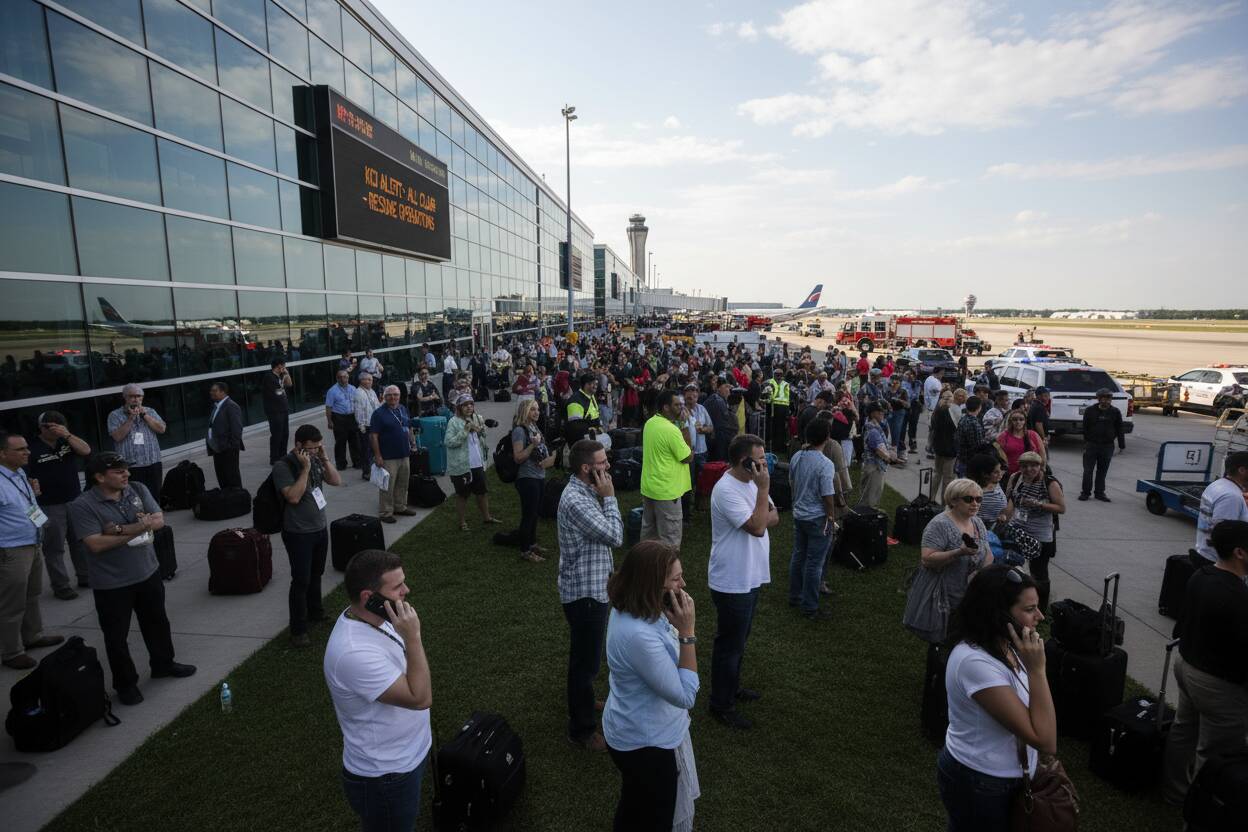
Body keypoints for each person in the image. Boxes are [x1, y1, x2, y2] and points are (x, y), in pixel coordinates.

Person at [69, 453, 196, 703]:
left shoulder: (136, 489)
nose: (126, 474)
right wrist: (139, 527)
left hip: (148, 571)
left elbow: (158, 520)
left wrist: (119, 530)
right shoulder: (82, 505)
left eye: (126, 469)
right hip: (112, 583)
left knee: (157, 623)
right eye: (118, 471)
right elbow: (95, 543)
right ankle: (125, 684)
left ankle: (163, 664)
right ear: (99, 477)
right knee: (116, 637)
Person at [937, 565, 1055, 831]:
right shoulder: (974, 662)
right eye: (1029, 609)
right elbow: (1046, 740)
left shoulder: (1009, 644)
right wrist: (1037, 670)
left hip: (1006, 776)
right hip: (981, 781)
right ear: (998, 614)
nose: (1040, 616)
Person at [323, 550, 432, 832]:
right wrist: (414, 638)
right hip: (385, 776)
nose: (406, 591)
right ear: (367, 597)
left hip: (406, 758)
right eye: (397, 588)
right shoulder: (353, 652)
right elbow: (420, 698)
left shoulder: (380, 616)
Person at [601, 541, 700, 831]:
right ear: (651, 583)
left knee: (634, 804)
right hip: (646, 745)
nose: (683, 583)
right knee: (656, 817)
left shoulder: (636, 606)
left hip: (631, 728)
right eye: (676, 578)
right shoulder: (638, 637)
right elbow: (686, 695)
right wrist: (687, 634)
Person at [1162, 520, 1248, 804]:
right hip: (1218, 686)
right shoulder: (1237, 597)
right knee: (1216, 755)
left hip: (1186, 667)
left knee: (1184, 730)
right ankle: (1202, 811)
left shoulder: (1201, 575)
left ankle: (1176, 793)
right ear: (1240, 552)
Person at [707, 434, 777, 730]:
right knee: (729, 645)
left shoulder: (752, 483)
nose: (764, 466)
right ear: (742, 461)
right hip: (732, 579)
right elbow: (759, 526)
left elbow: (774, 517)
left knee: (739, 640)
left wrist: (760, 509)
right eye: (758, 461)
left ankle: (731, 688)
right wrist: (762, 495)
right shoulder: (726, 489)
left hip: (750, 575)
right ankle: (721, 704)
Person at [557, 439, 622, 752]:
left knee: (585, 657)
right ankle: (581, 730)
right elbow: (614, 536)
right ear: (586, 468)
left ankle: (583, 698)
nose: (607, 466)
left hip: (591, 587)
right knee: (585, 664)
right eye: (602, 462)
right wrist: (609, 499)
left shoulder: (584, 491)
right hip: (585, 594)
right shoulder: (577, 501)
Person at [0, 433, 64, 670]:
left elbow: (24, 505)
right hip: (11, 549)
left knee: (32, 594)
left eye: (27, 447)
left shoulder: (18, 474)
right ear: (2, 454)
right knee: (12, 602)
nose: (27, 452)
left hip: (33, 541)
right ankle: (11, 651)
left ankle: (32, 636)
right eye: (20, 449)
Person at [274, 425, 342, 647]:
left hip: (319, 528)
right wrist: (305, 468)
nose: (314, 452)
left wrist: (324, 458)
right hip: (298, 533)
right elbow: (292, 497)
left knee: (316, 574)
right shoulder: (283, 466)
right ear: (299, 446)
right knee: (301, 580)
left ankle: (316, 613)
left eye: (318, 447)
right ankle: (298, 630)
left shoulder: (316, 459)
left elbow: (335, 480)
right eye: (311, 448)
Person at [25, 412, 90, 599]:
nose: (55, 430)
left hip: (74, 500)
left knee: (80, 542)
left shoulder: (66, 441)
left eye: (58, 426)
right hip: (49, 505)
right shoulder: (32, 448)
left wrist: (66, 435)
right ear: (42, 427)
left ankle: (85, 576)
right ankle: (61, 585)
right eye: (51, 427)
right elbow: (25, 474)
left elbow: (86, 451)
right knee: (54, 548)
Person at [788, 419, 839, 621]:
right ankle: (810, 606)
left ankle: (795, 596)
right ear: (827, 437)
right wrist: (831, 517)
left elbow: (792, 482)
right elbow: (828, 495)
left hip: (799, 514)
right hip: (817, 518)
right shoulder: (826, 464)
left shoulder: (797, 456)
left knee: (799, 556)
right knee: (814, 563)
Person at [1005, 452, 1065, 614]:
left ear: (1040, 466)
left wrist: (1039, 504)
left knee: (1039, 573)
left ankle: (1040, 609)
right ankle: (1016, 604)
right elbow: (1010, 498)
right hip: (1017, 530)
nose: (1028, 469)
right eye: (1024, 466)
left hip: (1040, 534)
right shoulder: (1016, 478)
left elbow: (1061, 508)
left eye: (1033, 466)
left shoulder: (1050, 483)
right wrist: (1005, 516)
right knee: (1012, 567)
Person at [641, 390, 693, 549]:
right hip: (667, 491)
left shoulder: (650, 423)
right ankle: (668, 571)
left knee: (649, 535)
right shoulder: (672, 430)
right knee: (670, 540)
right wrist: (684, 426)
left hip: (650, 487)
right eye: (677, 405)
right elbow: (688, 457)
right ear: (666, 408)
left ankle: (645, 568)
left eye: (682, 404)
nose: (681, 408)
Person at [445, 395, 499, 531]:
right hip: (462, 466)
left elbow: (482, 436)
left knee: (482, 492)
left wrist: (481, 431)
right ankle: (462, 522)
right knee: (463, 495)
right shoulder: (453, 422)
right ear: (459, 407)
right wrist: (465, 430)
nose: (469, 407)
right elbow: (449, 442)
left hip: (477, 463)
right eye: (465, 405)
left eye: (471, 404)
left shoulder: (477, 418)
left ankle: (487, 517)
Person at [106, 384, 167, 498]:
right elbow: (117, 437)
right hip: (130, 466)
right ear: (125, 397)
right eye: (132, 396)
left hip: (153, 462)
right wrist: (130, 419)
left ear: (142, 398)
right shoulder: (115, 415)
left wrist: (145, 416)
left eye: (138, 396)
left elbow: (162, 429)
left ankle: (155, 515)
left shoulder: (150, 411)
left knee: (154, 496)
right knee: (134, 498)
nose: (135, 399)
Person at [512, 399, 554, 563]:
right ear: (525, 411)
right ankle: (525, 550)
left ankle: (532, 543)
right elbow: (518, 457)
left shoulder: (534, 427)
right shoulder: (519, 431)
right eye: (532, 410)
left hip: (538, 475)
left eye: (537, 409)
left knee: (535, 512)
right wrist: (532, 445)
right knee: (528, 515)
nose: (537, 412)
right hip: (527, 478)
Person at [369, 386, 417, 524]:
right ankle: (385, 512)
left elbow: (408, 427)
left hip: (404, 453)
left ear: (399, 396)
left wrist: (413, 443)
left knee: (403, 483)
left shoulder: (402, 408)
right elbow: (373, 436)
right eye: (389, 395)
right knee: (387, 486)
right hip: (388, 456)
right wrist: (377, 455)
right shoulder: (378, 413)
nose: (393, 397)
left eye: (395, 394)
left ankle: (400, 507)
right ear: (384, 397)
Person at [1194, 451, 1248, 562]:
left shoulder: (1218, 485)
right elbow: (1225, 535)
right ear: (1242, 470)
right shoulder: (1231, 497)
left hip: (1206, 555)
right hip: (1222, 564)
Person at [1078, 388, 1125, 502]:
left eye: (1108, 398)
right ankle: (1085, 493)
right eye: (1103, 398)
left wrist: (1121, 445)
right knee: (1088, 471)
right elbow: (1085, 427)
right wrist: (1087, 442)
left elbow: (1119, 429)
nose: (1106, 401)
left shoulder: (1115, 412)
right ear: (1098, 399)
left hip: (1107, 446)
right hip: (1091, 445)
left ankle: (1099, 493)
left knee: (1102, 471)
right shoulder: (1090, 411)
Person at [857, 403, 898, 509]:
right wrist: (890, 459)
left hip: (873, 465)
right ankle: (868, 517)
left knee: (870, 494)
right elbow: (877, 450)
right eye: (880, 411)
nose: (882, 413)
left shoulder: (875, 427)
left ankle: (867, 514)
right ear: (873, 413)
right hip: (874, 467)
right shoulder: (873, 430)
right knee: (871, 497)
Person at [681, 383, 713, 518]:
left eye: (694, 395)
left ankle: (700, 506)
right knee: (687, 484)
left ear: (697, 396)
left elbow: (710, 427)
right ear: (684, 397)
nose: (692, 398)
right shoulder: (681, 412)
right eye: (688, 396)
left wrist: (704, 429)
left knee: (702, 480)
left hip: (702, 451)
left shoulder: (702, 409)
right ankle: (685, 513)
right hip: (688, 453)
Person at [206, 382, 244, 489]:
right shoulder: (217, 405)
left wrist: (231, 447)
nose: (211, 393)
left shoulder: (231, 406)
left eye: (214, 390)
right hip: (217, 449)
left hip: (228, 449)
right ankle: (227, 500)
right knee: (222, 478)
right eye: (211, 390)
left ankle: (237, 500)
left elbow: (237, 429)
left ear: (223, 392)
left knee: (232, 478)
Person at [326, 370, 361, 471]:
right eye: (340, 377)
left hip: (352, 417)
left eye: (345, 377)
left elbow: (357, 403)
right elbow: (328, 407)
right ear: (337, 378)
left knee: (354, 441)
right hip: (339, 418)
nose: (343, 379)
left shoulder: (353, 388)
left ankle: (357, 462)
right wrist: (329, 421)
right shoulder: (332, 391)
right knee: (340, 442)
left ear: (348, 377)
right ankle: (341, 464)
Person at [995, 410, 1045, 476]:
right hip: (1010, 474)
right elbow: (997, 455)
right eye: (1015, 420)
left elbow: (1042, 453)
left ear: (1025, 421)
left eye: (1021, 419)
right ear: (1011, 421)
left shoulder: (1033, 435)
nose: (1018, 422)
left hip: (1031, 474)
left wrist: (1042, 469)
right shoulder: (1003, 436)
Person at [966, 454, 1009, 529]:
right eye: (996, 472)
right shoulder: (974, 492)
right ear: (985, 474)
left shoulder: (995, 483)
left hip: (996, 527)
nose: (1000, 474)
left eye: (1000, 470)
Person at [703, 377, 735, 462]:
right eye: (726, 387)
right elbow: (722, 426)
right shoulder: (717, 401)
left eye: (729, 387)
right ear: (719, 388)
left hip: (715, 440)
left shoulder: (718, 399)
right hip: (717, 442)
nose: (729, 390)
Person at [954, 395, 985, 477]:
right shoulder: (975, 423)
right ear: (979, 407)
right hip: (970, 462)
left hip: (961, 459)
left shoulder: (963, 419)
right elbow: (978, 446)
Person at [763, 367, 791, 450]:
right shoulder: (771, 382)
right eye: (777, 375)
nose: (779, 376)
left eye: (780, 375)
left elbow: (787, 396)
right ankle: (773, 445)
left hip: (778, 407)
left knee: (778, 427)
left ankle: (777, 446)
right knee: (773, 427)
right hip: (775, 407)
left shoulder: (783, 384)